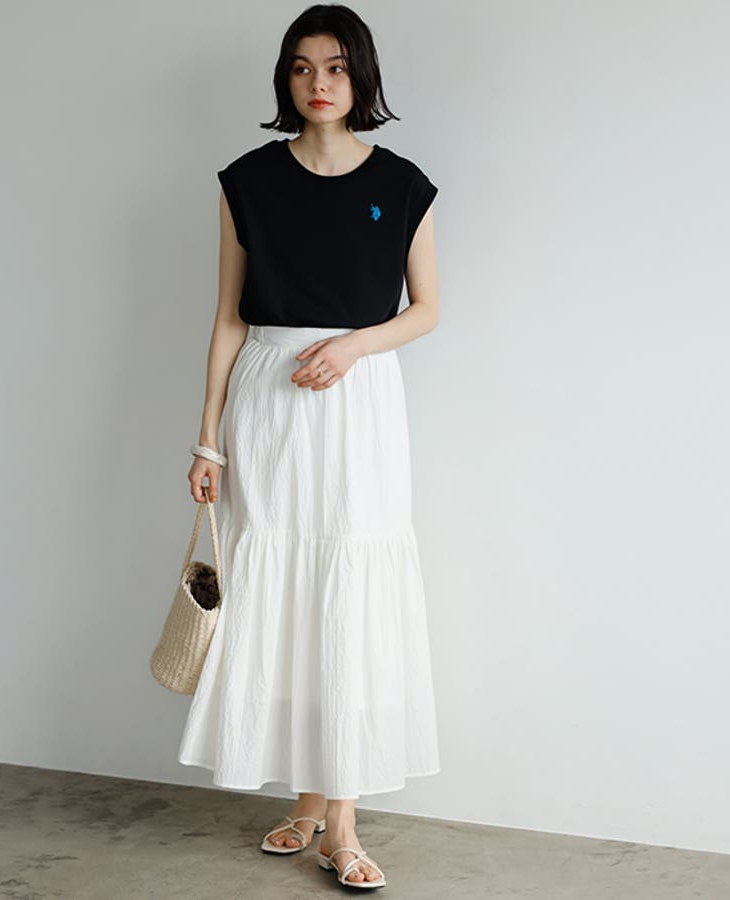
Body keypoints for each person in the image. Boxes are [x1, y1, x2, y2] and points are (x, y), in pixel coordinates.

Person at [178, 4, 440, 889]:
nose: (318, 82)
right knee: (283, 592)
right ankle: (306, 800)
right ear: (284, 79)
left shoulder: (404, 183)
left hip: (359, 405)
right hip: (269, 399)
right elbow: (227, 316)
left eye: (334, 66)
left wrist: (354, 347)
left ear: (361, 77)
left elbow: (428, 308)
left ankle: (342, 821)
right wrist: (208, 440)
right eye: (301, 67)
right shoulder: (247, 181)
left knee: (350, 590)